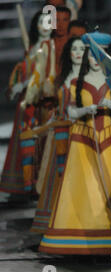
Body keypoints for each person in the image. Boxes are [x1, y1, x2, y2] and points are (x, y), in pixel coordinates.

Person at [38, 32, 111, 257]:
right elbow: (71, 111)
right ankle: (81, 235)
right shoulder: (75, 81)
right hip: (82, 137)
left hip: (108, 137)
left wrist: (110, 105)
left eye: (100, 55)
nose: (95, 59)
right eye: (92, 55)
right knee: (84, 185)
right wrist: (85, 110)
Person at [30, 36, 85, 233]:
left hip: (80, 134)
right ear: (69, 53)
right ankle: (58, 222)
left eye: (82, 49)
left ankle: (76, 222)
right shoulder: (64, 77)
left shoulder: (88, 78)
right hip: (61, 133)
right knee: (59, 176)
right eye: (74, 49)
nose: (78, 53)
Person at [0, 10, 52, 199]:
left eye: (48, 22)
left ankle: (42, 182)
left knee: (44, 144)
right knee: (27, 144)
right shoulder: (31, 49)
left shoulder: (53, 48)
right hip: (27, 104)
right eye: (41, 22)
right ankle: (27, 184)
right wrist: (17, 86)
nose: (45, 26)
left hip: (44, 103)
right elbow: (23, 74)